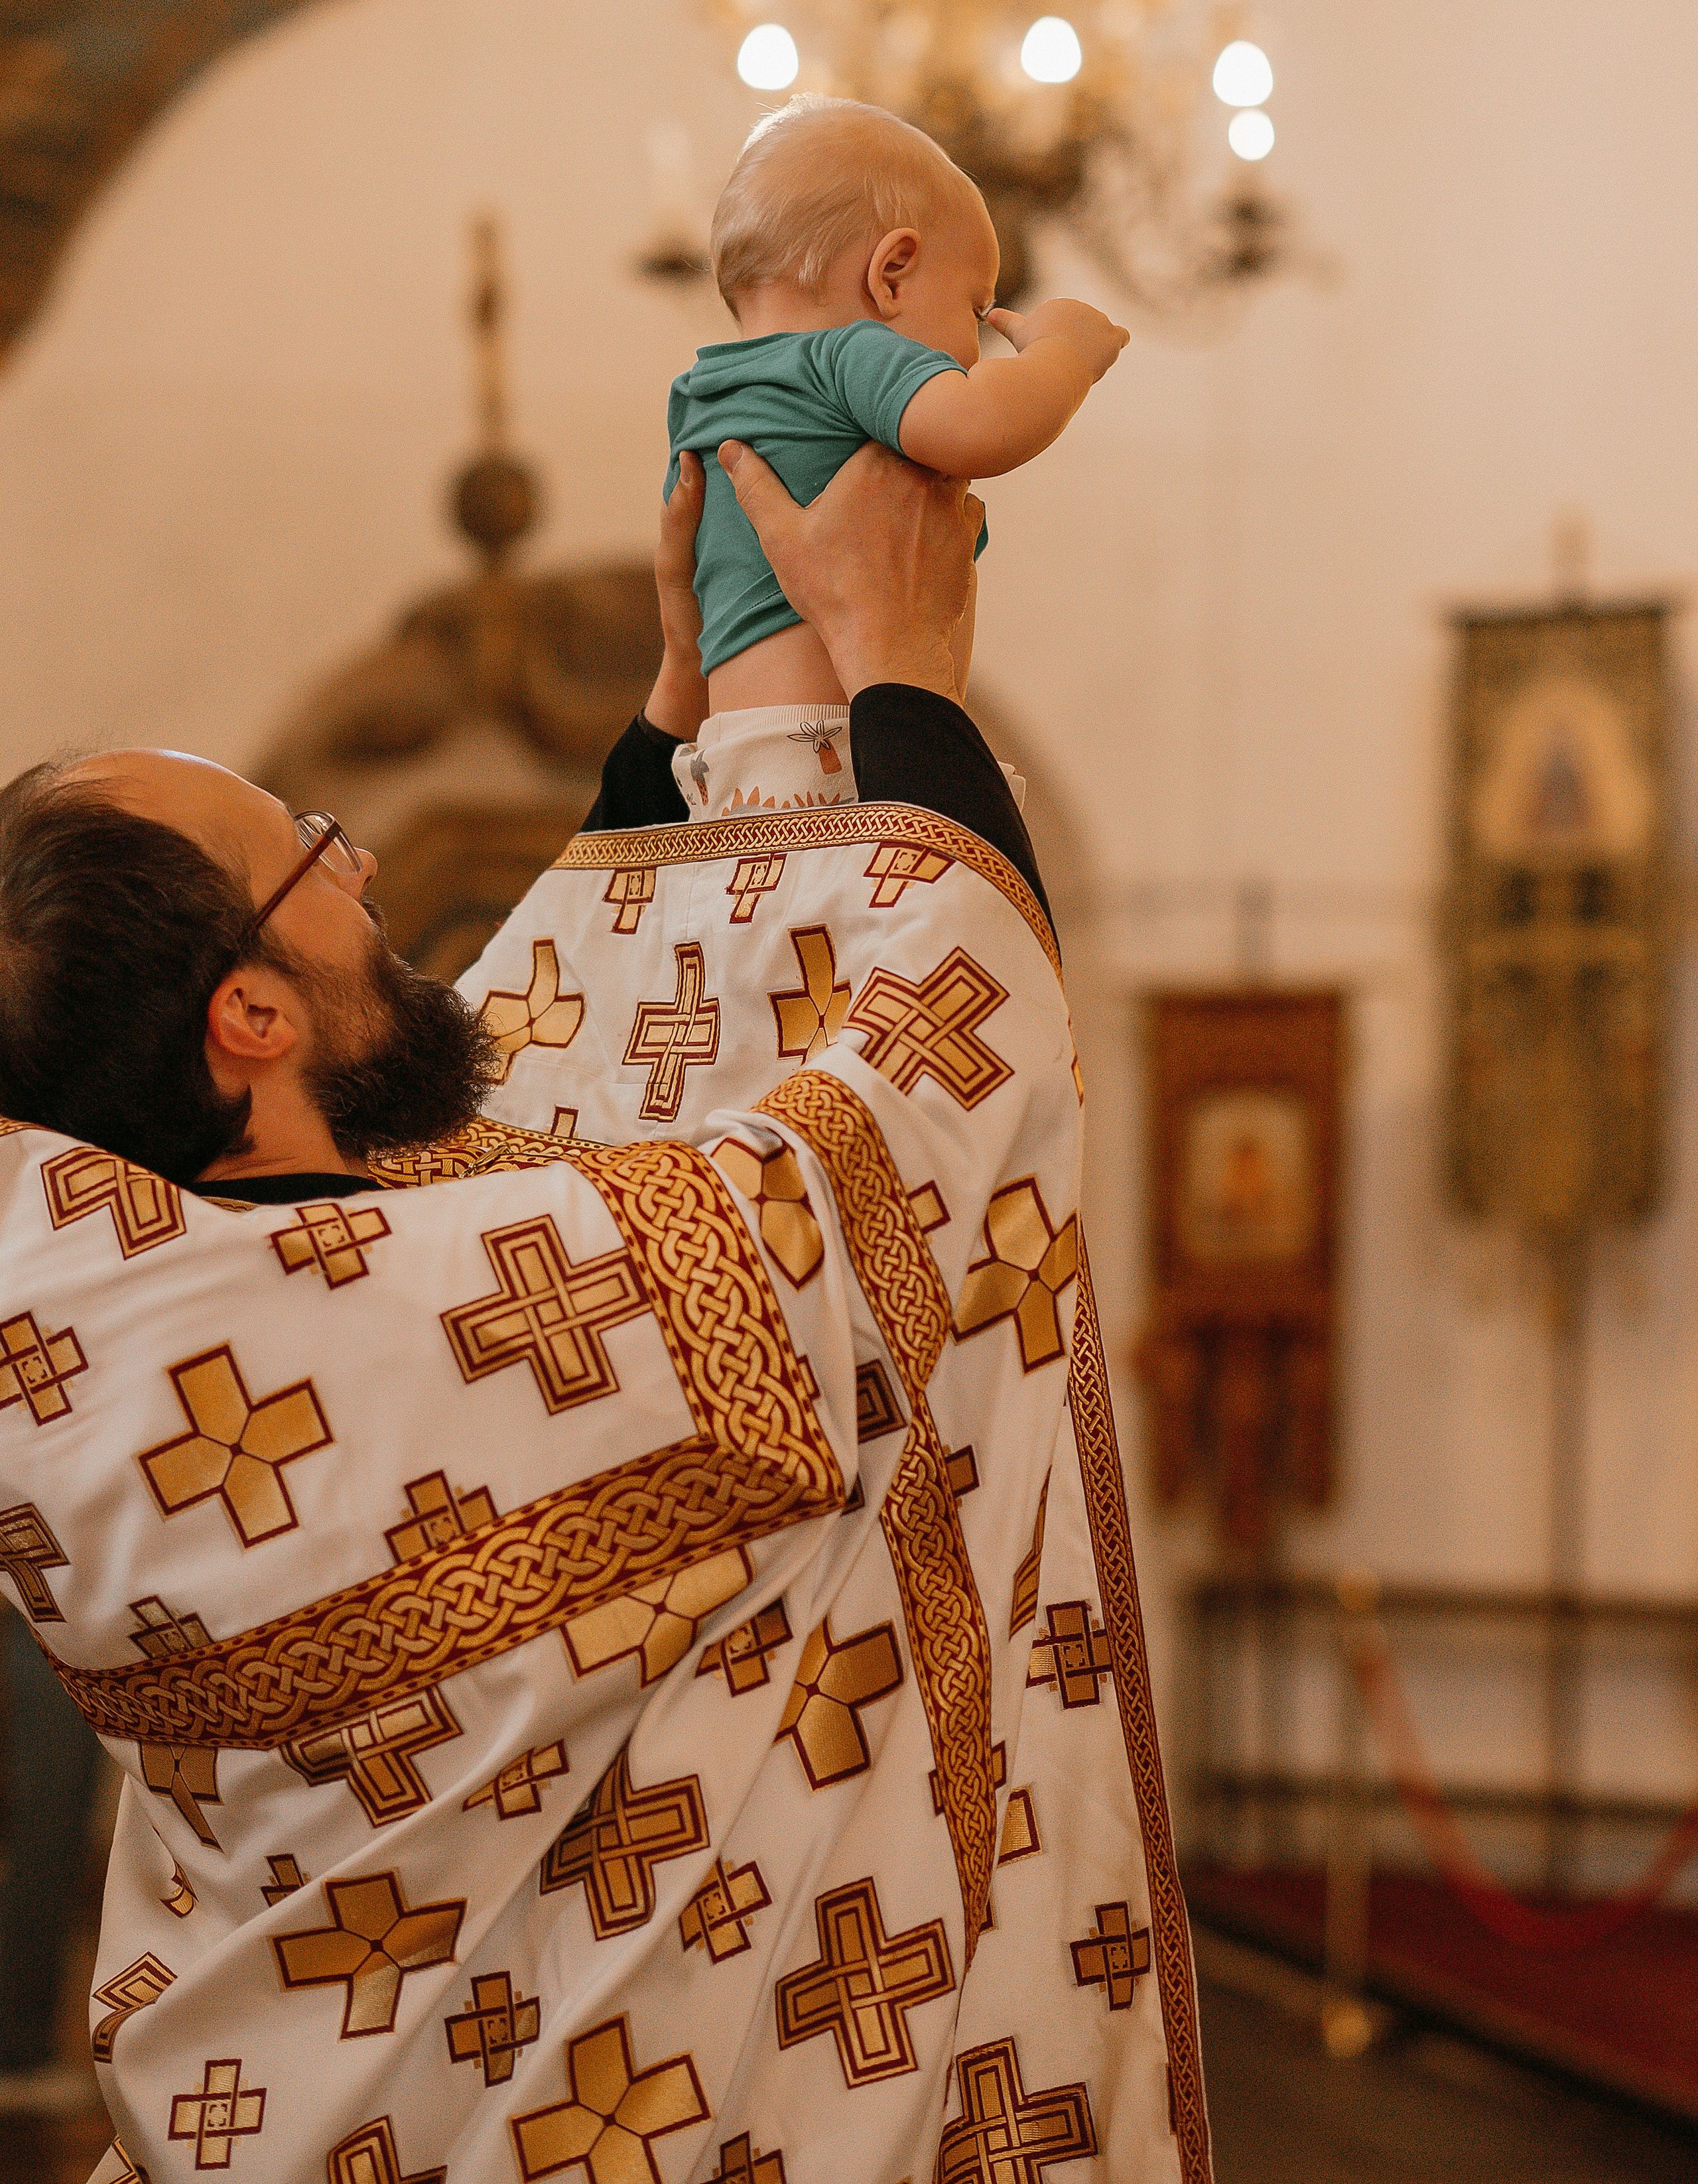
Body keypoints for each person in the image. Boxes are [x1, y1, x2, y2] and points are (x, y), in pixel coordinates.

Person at [0, 444, 1208, 2183]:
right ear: (250, 1017)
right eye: (311, 853)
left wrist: (671, 728)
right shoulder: (435, 1309)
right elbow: (908, 1127)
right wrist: (904, 685)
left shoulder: (106, 1321)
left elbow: (540, 1079)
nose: (363, 868)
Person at [662, 94, 1129, 820]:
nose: (974, 349)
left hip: (727, 775)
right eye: (974, 310)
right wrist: (1063, 353)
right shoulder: (848, 354)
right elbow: (985, 426)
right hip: (840, 759)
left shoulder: (698, 396)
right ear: (892, 273)